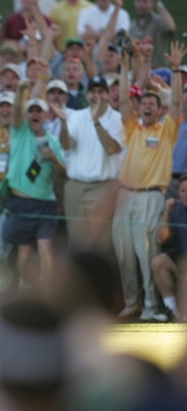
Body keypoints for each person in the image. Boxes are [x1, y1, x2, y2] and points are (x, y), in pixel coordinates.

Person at [112, 42, 185, 322]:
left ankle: (152, 306)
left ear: (159, 109)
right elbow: (121, 101)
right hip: (125, 197)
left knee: (146, 254)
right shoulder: (132, 128)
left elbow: (177, 102)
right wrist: (126, 66)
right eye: (143, 103)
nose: (147, 107)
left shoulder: (166, 130)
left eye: (152, 104)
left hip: (150, 196)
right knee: (124, 253)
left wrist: (176, 70)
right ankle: (132, 303)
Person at [2, 81, 65, 290]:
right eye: (32, 111)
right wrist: (20, 92)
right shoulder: (20, 132)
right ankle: (31, 288)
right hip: (21, 203)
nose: (35, 114)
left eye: (39, 111)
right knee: (24, 255)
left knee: (45, 248)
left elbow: (63, 173)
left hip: (46, 203)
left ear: (46, 116)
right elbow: (17, 113)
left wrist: (54, 158)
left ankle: (48, 292)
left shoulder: (52, 140)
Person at [58, 76, 124, 252]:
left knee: (102, 244)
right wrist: (64, 124)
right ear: (87, 95)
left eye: (101, 91)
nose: (97, 96)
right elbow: (66, 145)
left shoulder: (116, 118)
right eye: (93, 92)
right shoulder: (77, 117)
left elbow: (112, 148)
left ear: (108, 94)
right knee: (76, 244)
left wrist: (96, 122)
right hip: (76, 187)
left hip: (104, 187)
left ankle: (103, 280)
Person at [152, 176, 187, 320]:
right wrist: (167, 212)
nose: (186, 194)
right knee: (158, 261)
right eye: (183, 190)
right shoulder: (177, 209)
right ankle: (172, 310)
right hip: (183, 257)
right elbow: (161, 238)